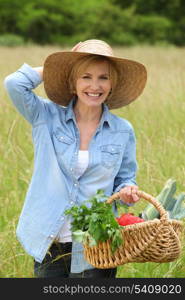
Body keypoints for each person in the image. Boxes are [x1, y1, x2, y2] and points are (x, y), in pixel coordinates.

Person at [4, 39, 147, 278]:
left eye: (103, 77)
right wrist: (57, 68)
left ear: (112, 84)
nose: (95, 85)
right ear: (72, 82)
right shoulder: (46, 116)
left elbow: (126, 179)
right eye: (85, 76)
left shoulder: (123, 130)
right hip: (49, 238)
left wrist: (128, 191)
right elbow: (14, 83)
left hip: (96, 241)